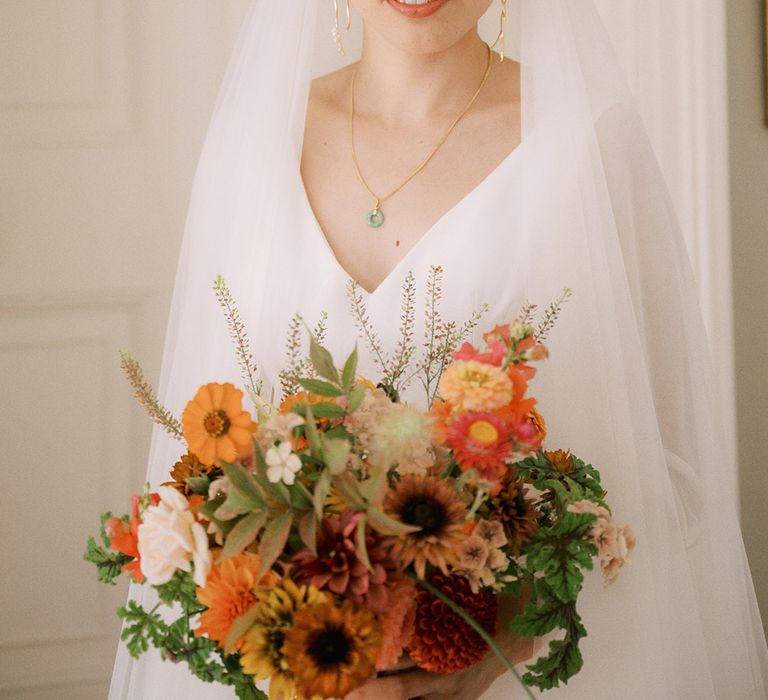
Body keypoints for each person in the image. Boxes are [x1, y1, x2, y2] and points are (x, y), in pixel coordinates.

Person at [110, 1, 768, 698]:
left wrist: (505, 633)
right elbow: (205, 461)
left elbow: (671, 470)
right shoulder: (254, 136)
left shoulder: (590, 139)